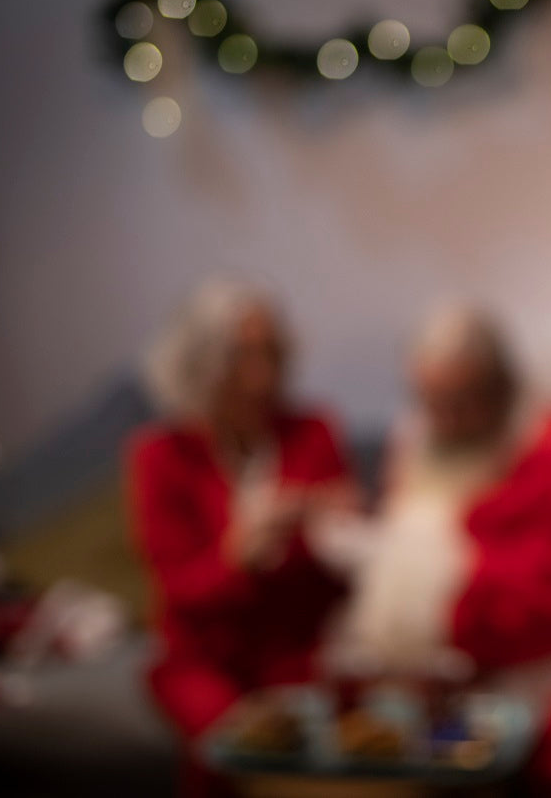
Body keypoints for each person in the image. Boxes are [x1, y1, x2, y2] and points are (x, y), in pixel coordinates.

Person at [328, 305, 551, 797]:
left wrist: (455, 640)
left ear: (501, 385)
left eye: (464, 400)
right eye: (433, 402)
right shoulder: (416, 446)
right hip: (478, 660)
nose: (449, 419)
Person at [126, 278, 358, 794]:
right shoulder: (160, 456)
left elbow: (339, 579)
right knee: (238, 750)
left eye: (271, 352)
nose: (263, 374)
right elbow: (179, 592)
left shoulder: (313, 432)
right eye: (243, 356)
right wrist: (239, 556)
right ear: (202, 364)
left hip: (299, 650)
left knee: (343, 750)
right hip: (207, 658)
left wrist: (342, 532)